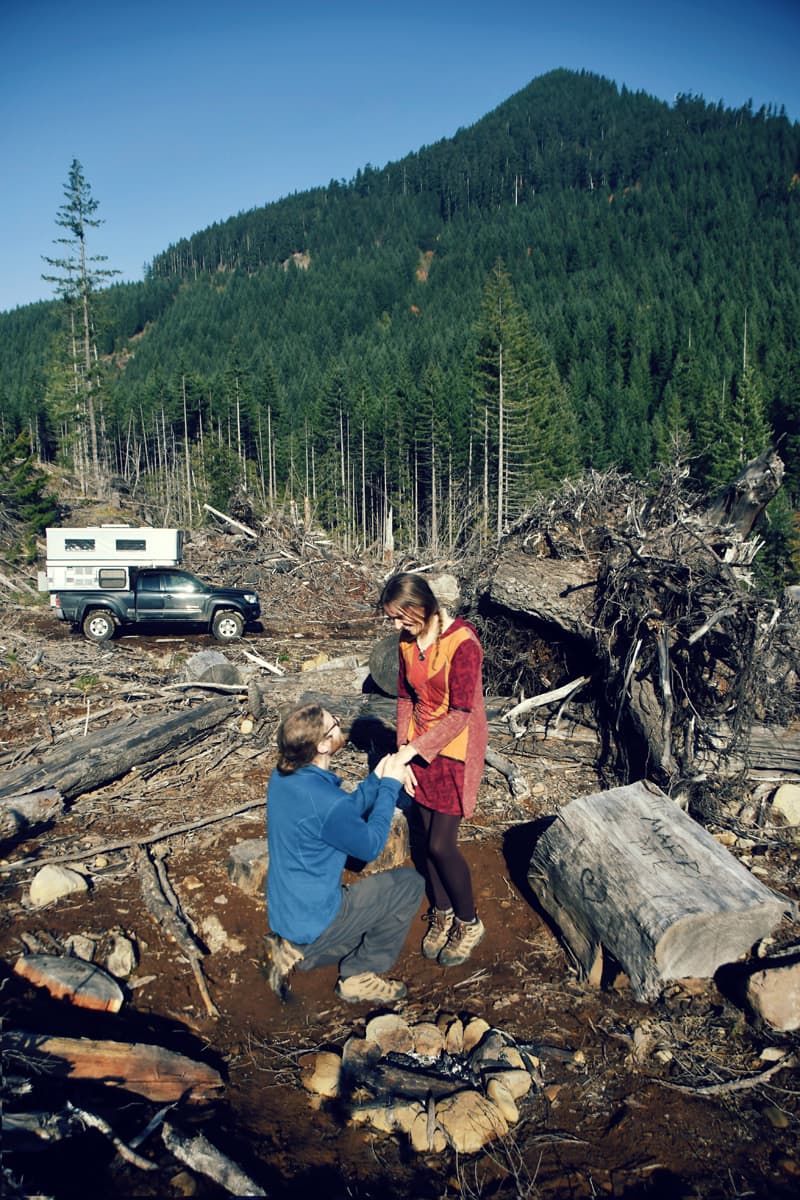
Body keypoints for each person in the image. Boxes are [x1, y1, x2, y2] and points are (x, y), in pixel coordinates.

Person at [265, 702, 424, 1004]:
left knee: (358, 918)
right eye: (333, 723)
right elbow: (370, 845)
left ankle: (296, 948)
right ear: (323, 745)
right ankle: (357, 975)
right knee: (409, 885)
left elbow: (336, 814)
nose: (341, 722)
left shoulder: (283, 778)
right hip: (316, 917)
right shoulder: (328, 802)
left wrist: (376, 779)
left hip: (286, 911)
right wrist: (390, 786)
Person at [380, 572, 488, 968]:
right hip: (418, 746)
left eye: (400, 618)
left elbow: (461, 714)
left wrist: (410, 752)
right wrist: (403, 750)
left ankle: (469, 921)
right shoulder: (407, 642)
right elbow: (406, 698)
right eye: (391, 619)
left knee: (443, 844)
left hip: (455, 750)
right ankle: (441, 912)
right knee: (423, 839)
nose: (395, 627)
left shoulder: (463, 643)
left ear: (420, 608)